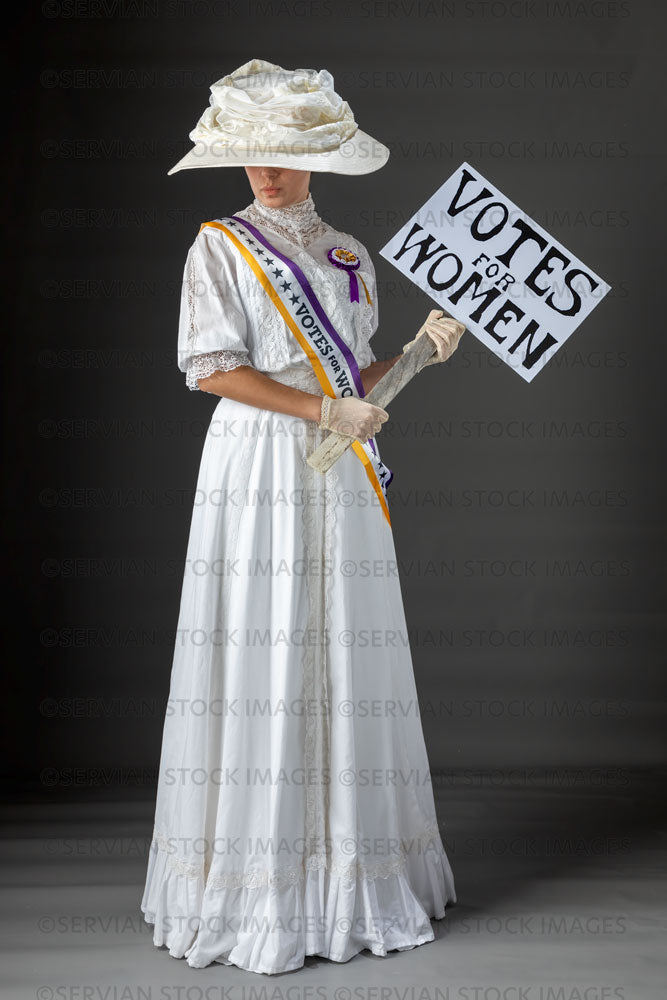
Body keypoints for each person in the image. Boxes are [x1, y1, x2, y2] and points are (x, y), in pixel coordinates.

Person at [141, 58, 465, 976]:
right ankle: (255, 885)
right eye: (252, 157)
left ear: (318, 158)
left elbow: (353, 382)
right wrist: (324, 411)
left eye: (282, 155)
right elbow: (209, 369)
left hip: (340, 461)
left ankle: (350, 873)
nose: (266, 173)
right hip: (258, 461)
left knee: (343, 642)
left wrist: (416, 356)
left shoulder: (351, 257)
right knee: (263, 639)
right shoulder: (220, 246)